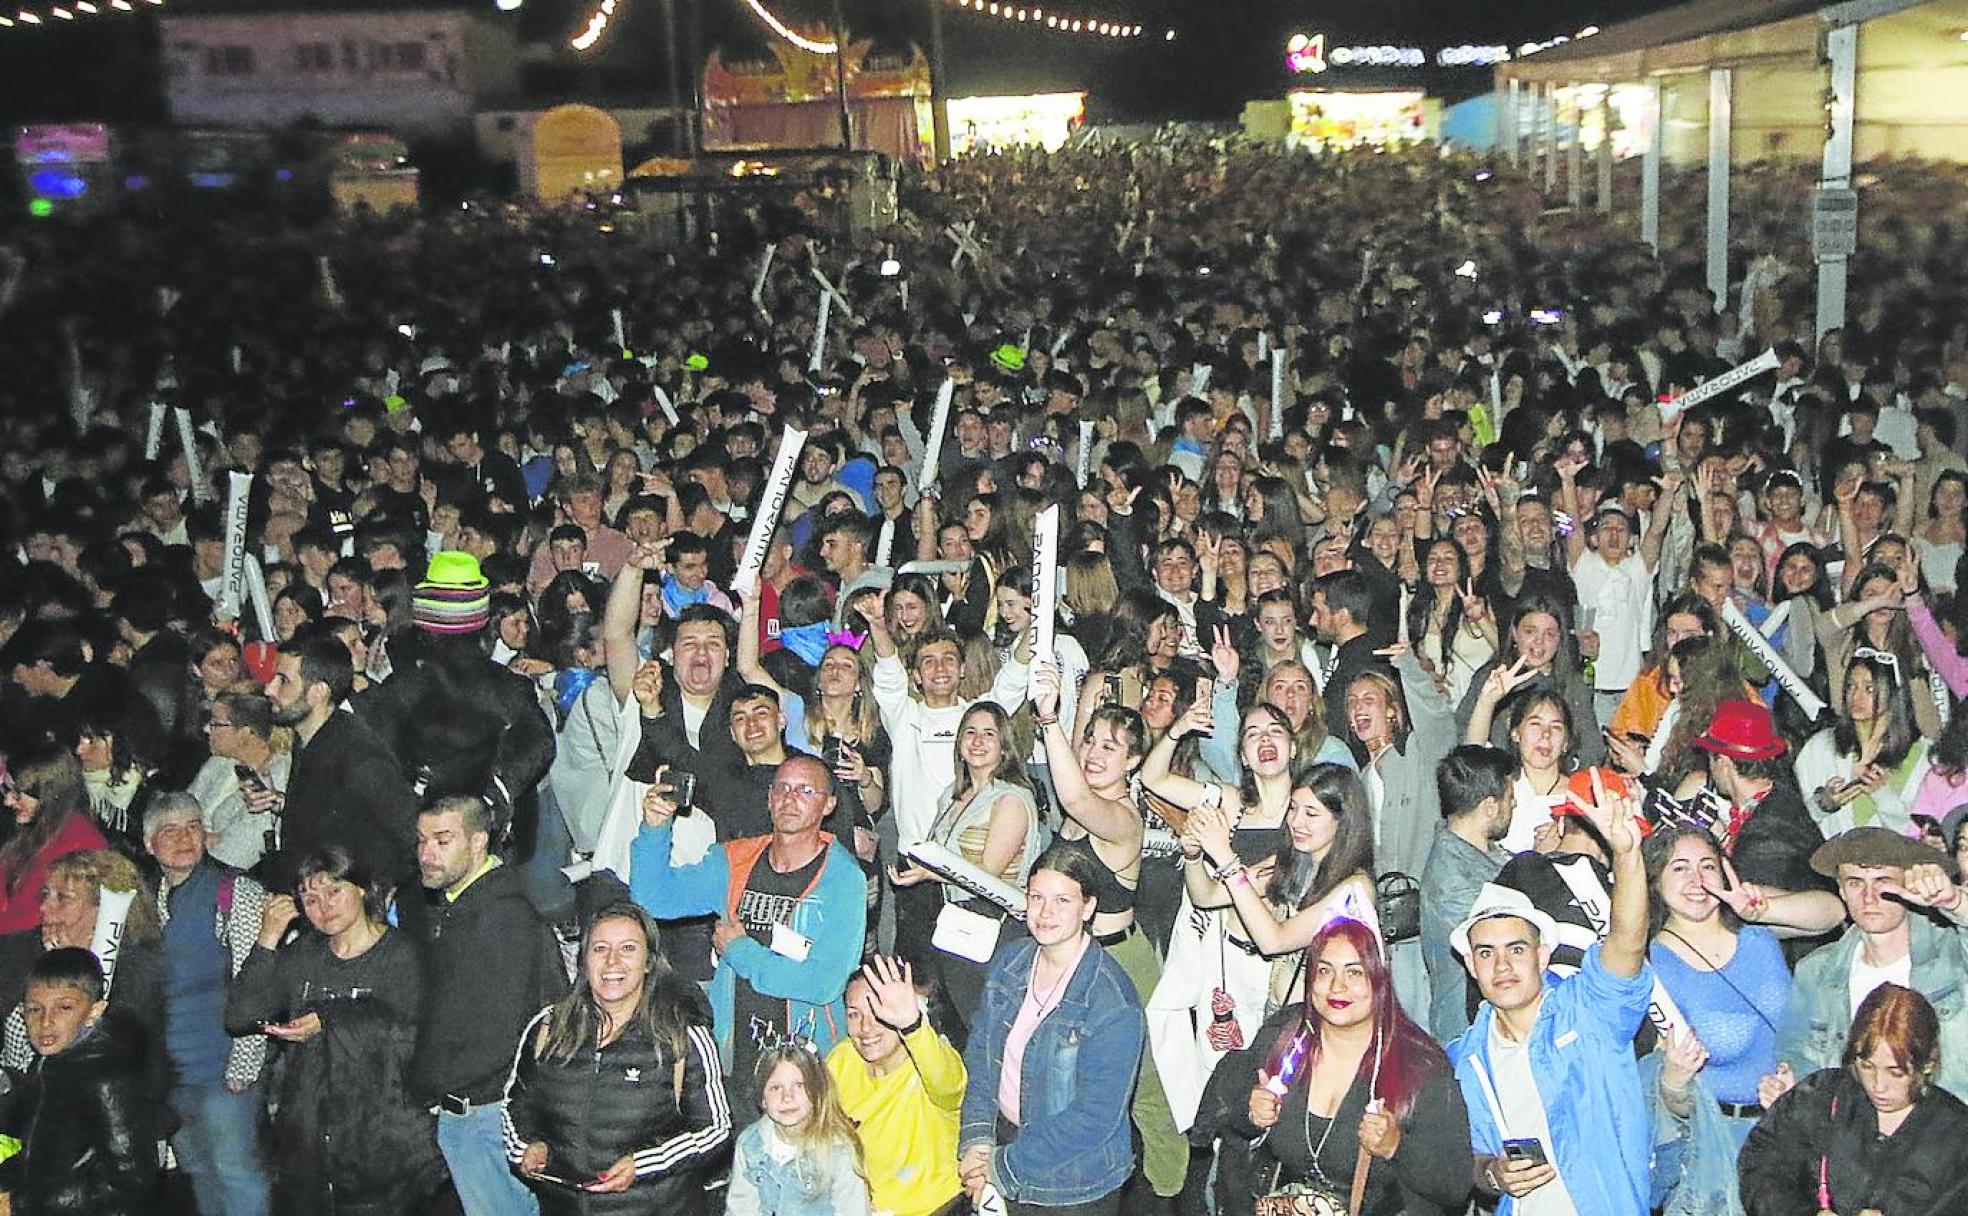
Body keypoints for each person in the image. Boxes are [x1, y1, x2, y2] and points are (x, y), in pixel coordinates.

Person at [1447, 773, 1655, 1216]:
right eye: (1487, 952)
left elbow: (1627, 944)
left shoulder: (1589, 1011)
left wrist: (1627, 856)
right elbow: (1471, 1159)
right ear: (1471, 965)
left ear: (1543, 956)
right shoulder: (1466, 1058)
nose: (1503, 966)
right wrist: (1494, 1174)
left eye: (1517, 949)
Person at [629, 753, 866, 1112]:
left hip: (808, 1061)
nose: (790, 798)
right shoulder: (734, 860)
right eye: (782, 788)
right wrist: (654, 829)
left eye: (805, 790)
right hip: (737, 1051)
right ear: (769, 798)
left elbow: (824, 982)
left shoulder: (844, 879)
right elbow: (654, 897)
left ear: (829, 804)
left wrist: (740, 951)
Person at [224, 846, 440, 1216]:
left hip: (381, 1133)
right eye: (309, 898)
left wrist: (329, 1018)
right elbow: (240, 1016)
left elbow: (410, 1036)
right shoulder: (306, 954)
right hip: (311, 1132)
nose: (323, 906)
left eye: (333, 891)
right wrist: (267, 939)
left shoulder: (401, 954)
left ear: (361, 889)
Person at [1217, 919, 1473, 1216]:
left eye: (1355, 972)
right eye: (1325, 971)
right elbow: (1227, 1124)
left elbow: (1456, 1185)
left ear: (1380, 980)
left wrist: (1396, 1146)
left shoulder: (1420, 1068)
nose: (1338, 987)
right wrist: (1251, 1116)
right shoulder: (1284, 1040)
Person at [505, 901, 731, 1216]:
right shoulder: (547, 1028)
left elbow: (715, 1129)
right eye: (600, 949)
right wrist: (529, 1146)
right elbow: (515, 1106)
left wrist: (642, 1165)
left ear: (649, 961)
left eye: (628, 948)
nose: (612, 961)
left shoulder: (682, 1036)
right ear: (584, 960)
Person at [958, 843, 1145, 1216]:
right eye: (1037, 897)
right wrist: (977, 1140)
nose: (1045, 912)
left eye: (1062, 900)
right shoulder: (1010, 962)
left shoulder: (1112, 1000)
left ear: (1088, 907)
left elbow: (1095, 1118)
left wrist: (1001, 1166)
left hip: (1074, 1182)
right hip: (1006, 1146)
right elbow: (982, 1058)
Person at [409, 794, 569, 1216]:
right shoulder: (470, 906)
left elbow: (502, 1034)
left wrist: (425, 1083)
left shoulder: (499, 917)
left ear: (479, 841)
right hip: (478, 1111)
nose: (427, 853)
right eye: (422, 840)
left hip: (485, 1114)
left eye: (443, 840)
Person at [144, 793, 273, 1216]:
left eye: (193, 826)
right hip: (173, 1073)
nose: (184, 838)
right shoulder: (147, 904)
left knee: (236, 1173)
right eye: (171, 830)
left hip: (223, 1069)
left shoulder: (235, 894)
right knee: (198, 1172)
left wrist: (244, 1066)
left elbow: (256, 982)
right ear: (150, 844)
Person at [1740, 983, 1968, 1216]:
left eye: (1896, 1072)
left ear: (1927, 1064)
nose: (1878, 1086)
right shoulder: (1821, 1097)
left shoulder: (1957, 1135)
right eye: (1867, 1067)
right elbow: (1760, 1168)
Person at [1774, 827, 1968, 1099]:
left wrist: (1954, 901)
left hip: (1949, 1132)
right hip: (1856, 1133)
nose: (1869, 897)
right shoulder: (1816, 972)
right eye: (1855, 882)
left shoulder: (1952, 954)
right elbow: (1793, 1052)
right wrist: (1792, 1085)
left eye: (1883, 881)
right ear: (1841, 890)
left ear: (1906, 885)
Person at [0, 949, 158, 1214]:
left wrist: (26, 1203)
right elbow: (40, 1151)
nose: (45, 1022)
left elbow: (133, 1178)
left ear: (94, 1011)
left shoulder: (107, 1076)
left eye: (64, 1008)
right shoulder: (48, 1065)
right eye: (34, 1010)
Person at [260, 633, 419, 892]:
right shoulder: (309, 740)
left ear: (319, 691)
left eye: (284, 681)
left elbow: (407, 835)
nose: (269, 689)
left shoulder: (358, 755)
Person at [826, 956, 966, 1216]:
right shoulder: (842, 1059)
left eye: (878, 1012)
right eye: (854, 1015)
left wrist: (911, 1024)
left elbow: (950, 1086)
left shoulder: (929, 1059)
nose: (866, 1028)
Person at [1420, 745, 1514, 1040]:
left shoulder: (1482, 853)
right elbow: (1510, 923)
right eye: (1510, 798)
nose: (1516, 804)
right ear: (1489, 807)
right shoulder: (1450, 880)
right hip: (1468, 1031)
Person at [729, 1043, 873, 1216]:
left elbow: (852, 1210)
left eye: (799, 1085)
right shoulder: (750, 1145)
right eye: (776, 1088)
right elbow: (741, 1209)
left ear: (817, 1092)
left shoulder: (839, 1149)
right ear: (763, 1100)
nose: (787, 1097)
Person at [0, 744, 110, 934]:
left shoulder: (81, 844)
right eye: (6, 791)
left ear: (48, 794)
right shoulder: (31, 832)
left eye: (17, 794)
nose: (8, 801)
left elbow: (39, 916)